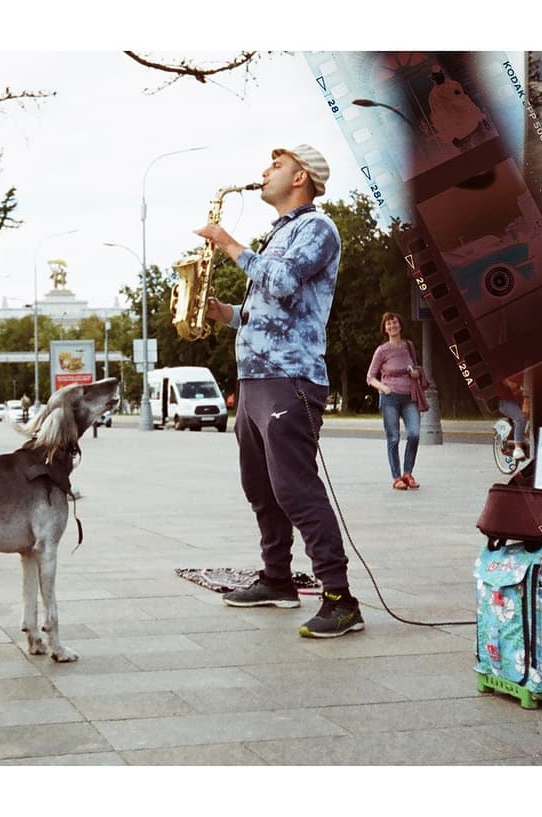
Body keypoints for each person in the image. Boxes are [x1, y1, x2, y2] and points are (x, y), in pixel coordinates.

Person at [196, 143, 364, 638]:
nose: (264, 170)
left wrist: (228, 244)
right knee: (261, 488)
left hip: (290, 379)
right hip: (255, 379)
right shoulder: (278, 234)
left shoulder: (317, 228)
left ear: (301, 178)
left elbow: (285, 282)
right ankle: (277, 579)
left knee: (295, 489)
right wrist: (226, 314)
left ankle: (340, 598)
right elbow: (269, 313)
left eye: (277, 164)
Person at [366, 311, 423, 490]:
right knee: (394, 438)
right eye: (388, 324)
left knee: (414, 433)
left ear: (400, 325)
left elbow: (415, 369)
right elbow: (370, 377)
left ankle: (408, 472)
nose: (392, 326)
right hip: (390, 398)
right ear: (385, 329)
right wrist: (383, 388)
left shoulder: (408, 346)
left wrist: (415, 373)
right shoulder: (382, 350)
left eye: (395, 323)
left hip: (409, 397)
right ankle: (397, 477)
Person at [497, 377, 530, 460]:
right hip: (506, 401)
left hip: (520, 399)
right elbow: (509, 383)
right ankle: (517, 448)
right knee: (521, 417)